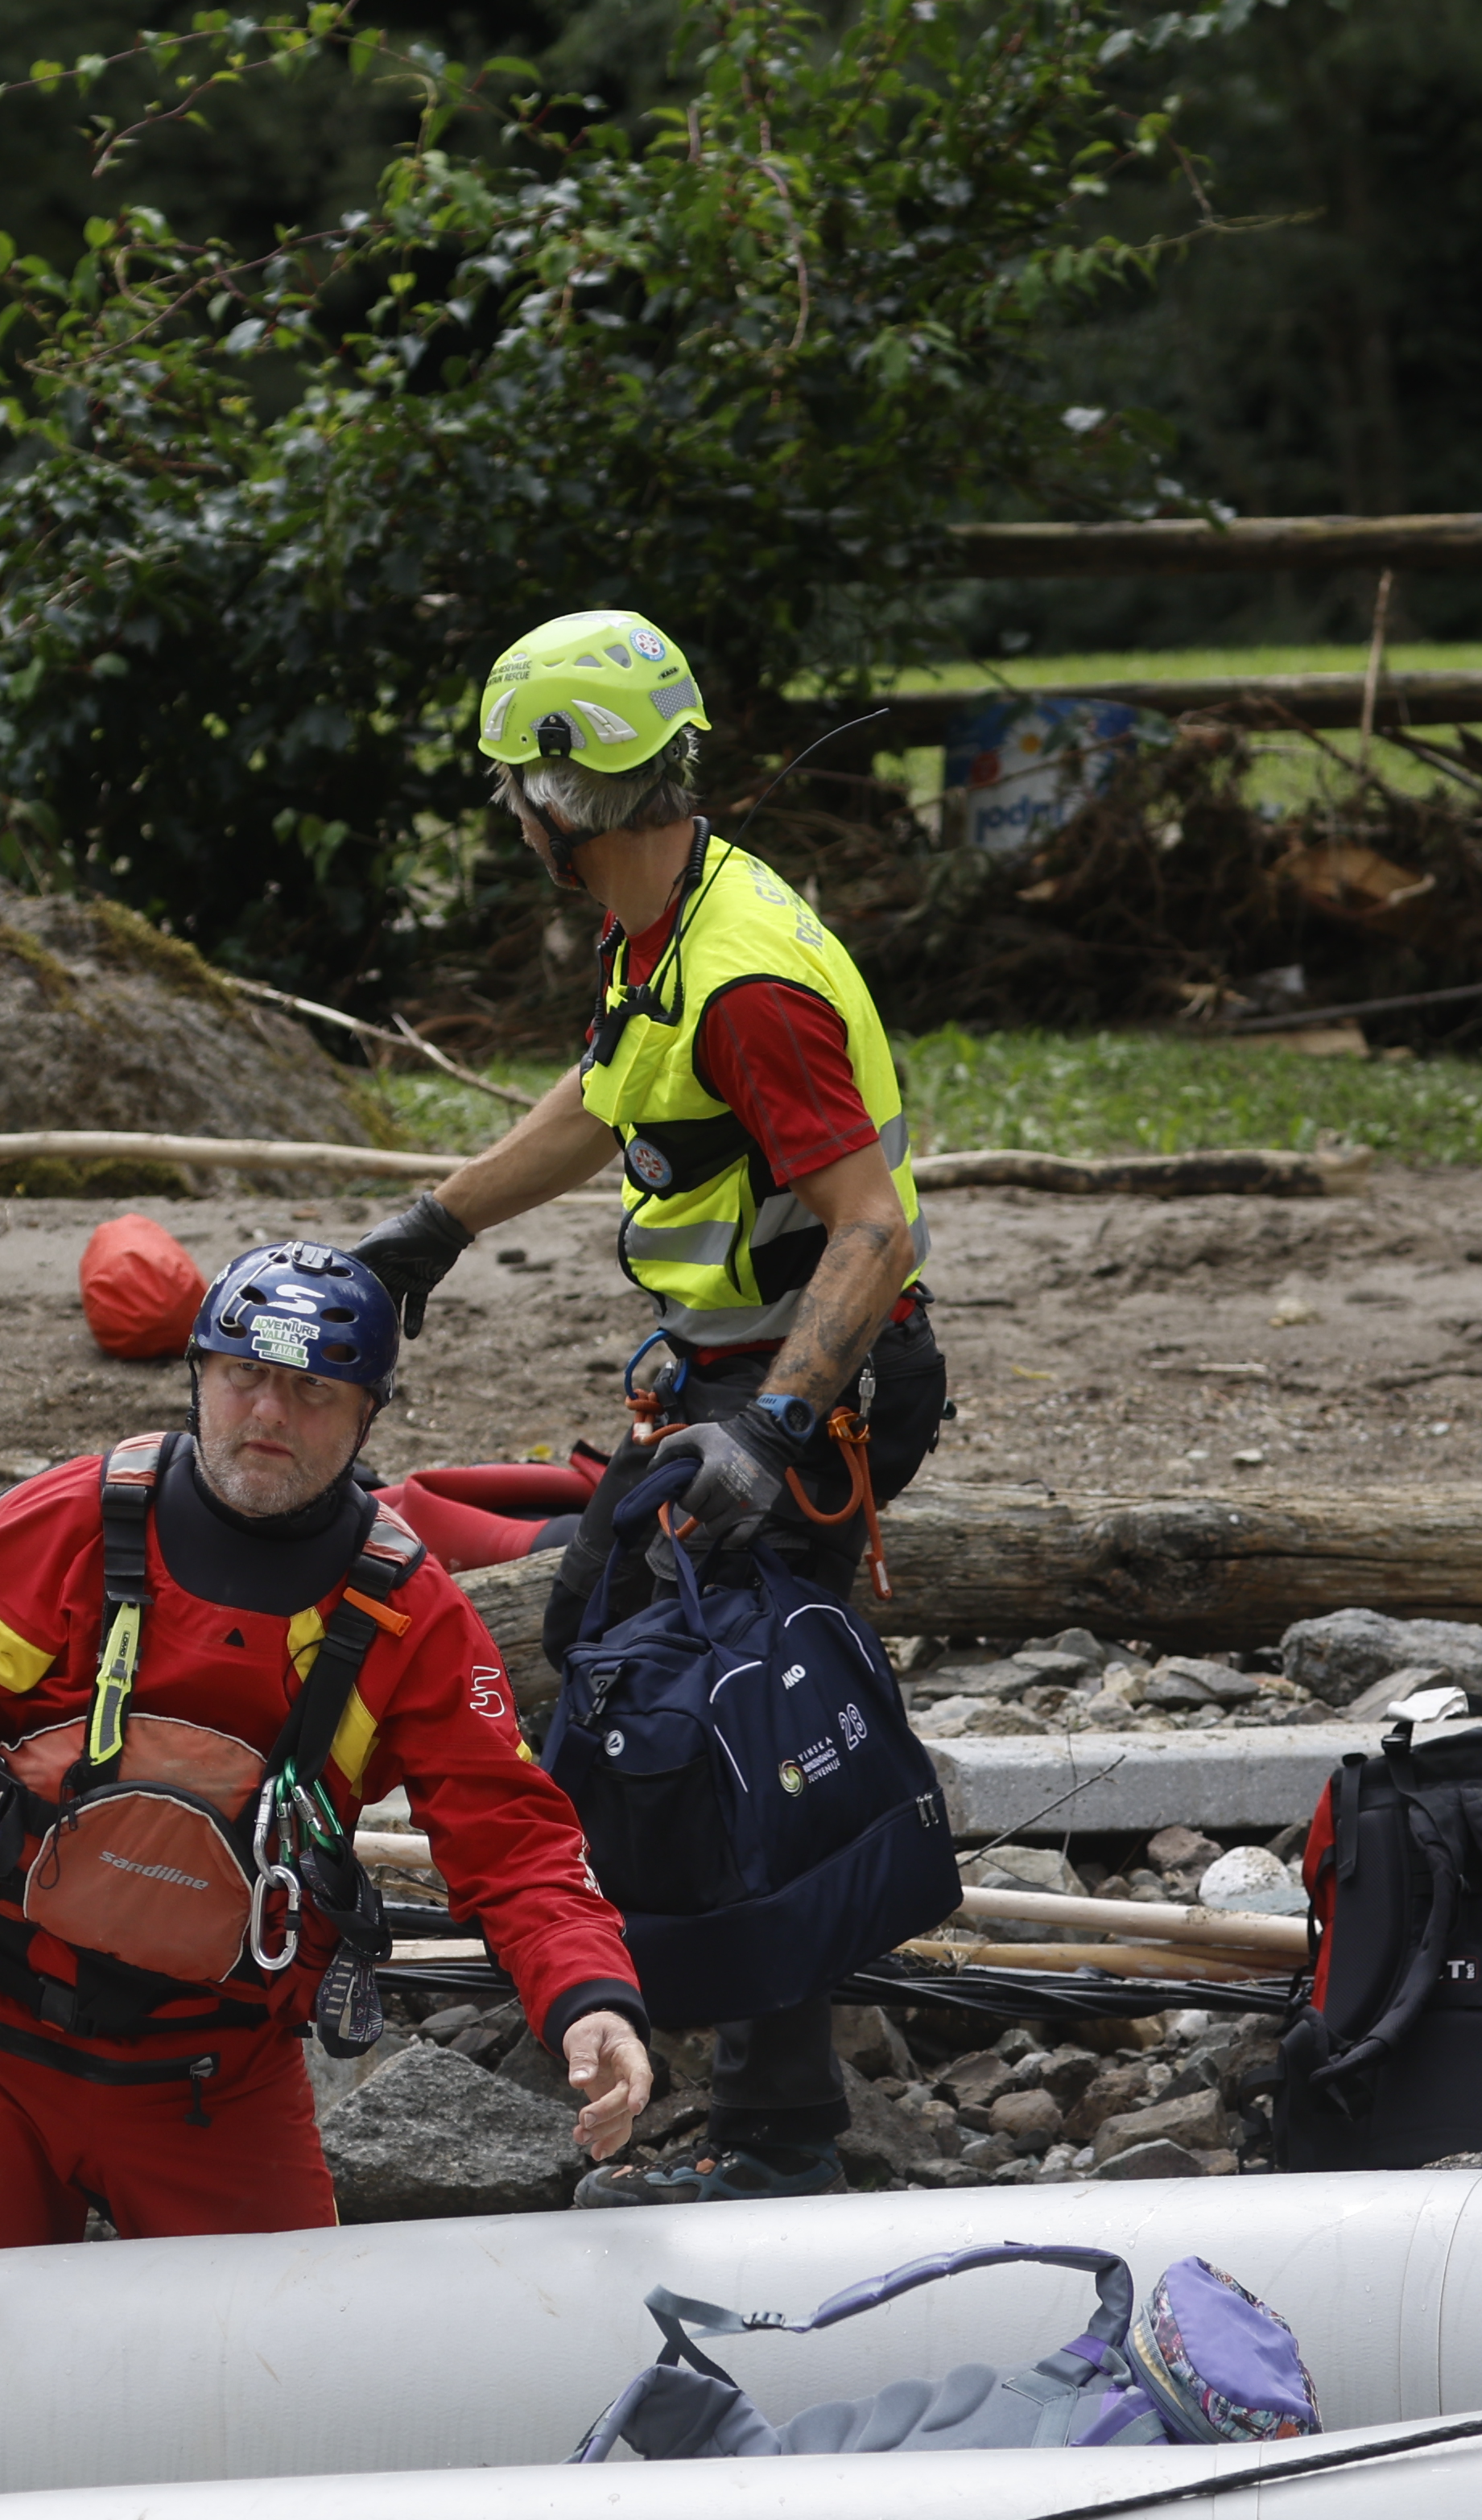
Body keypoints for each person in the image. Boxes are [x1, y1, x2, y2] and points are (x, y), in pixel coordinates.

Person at [348, 608, 944, 2206]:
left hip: (813, 1379)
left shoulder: (745, 979)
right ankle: (667, 2008)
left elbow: (873, 1229)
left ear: (553, 802)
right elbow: (608, 1092)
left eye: (511, 795)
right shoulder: (665, 923)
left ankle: (776, 2127)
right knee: (627, 1646)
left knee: (719, 1710)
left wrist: (778, 1431)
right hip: (732, 1369)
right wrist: (439, 1221)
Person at [0, 1244, 654, 2251]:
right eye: (245, 1375)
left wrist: (591, 2002)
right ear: (199, 1373)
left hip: (217, 2080)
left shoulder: (410, 1615)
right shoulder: (73, 1522)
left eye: (311, 1390)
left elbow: (516, 1846)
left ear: (368, 1410)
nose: (269, 1414)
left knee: (285, 2391)